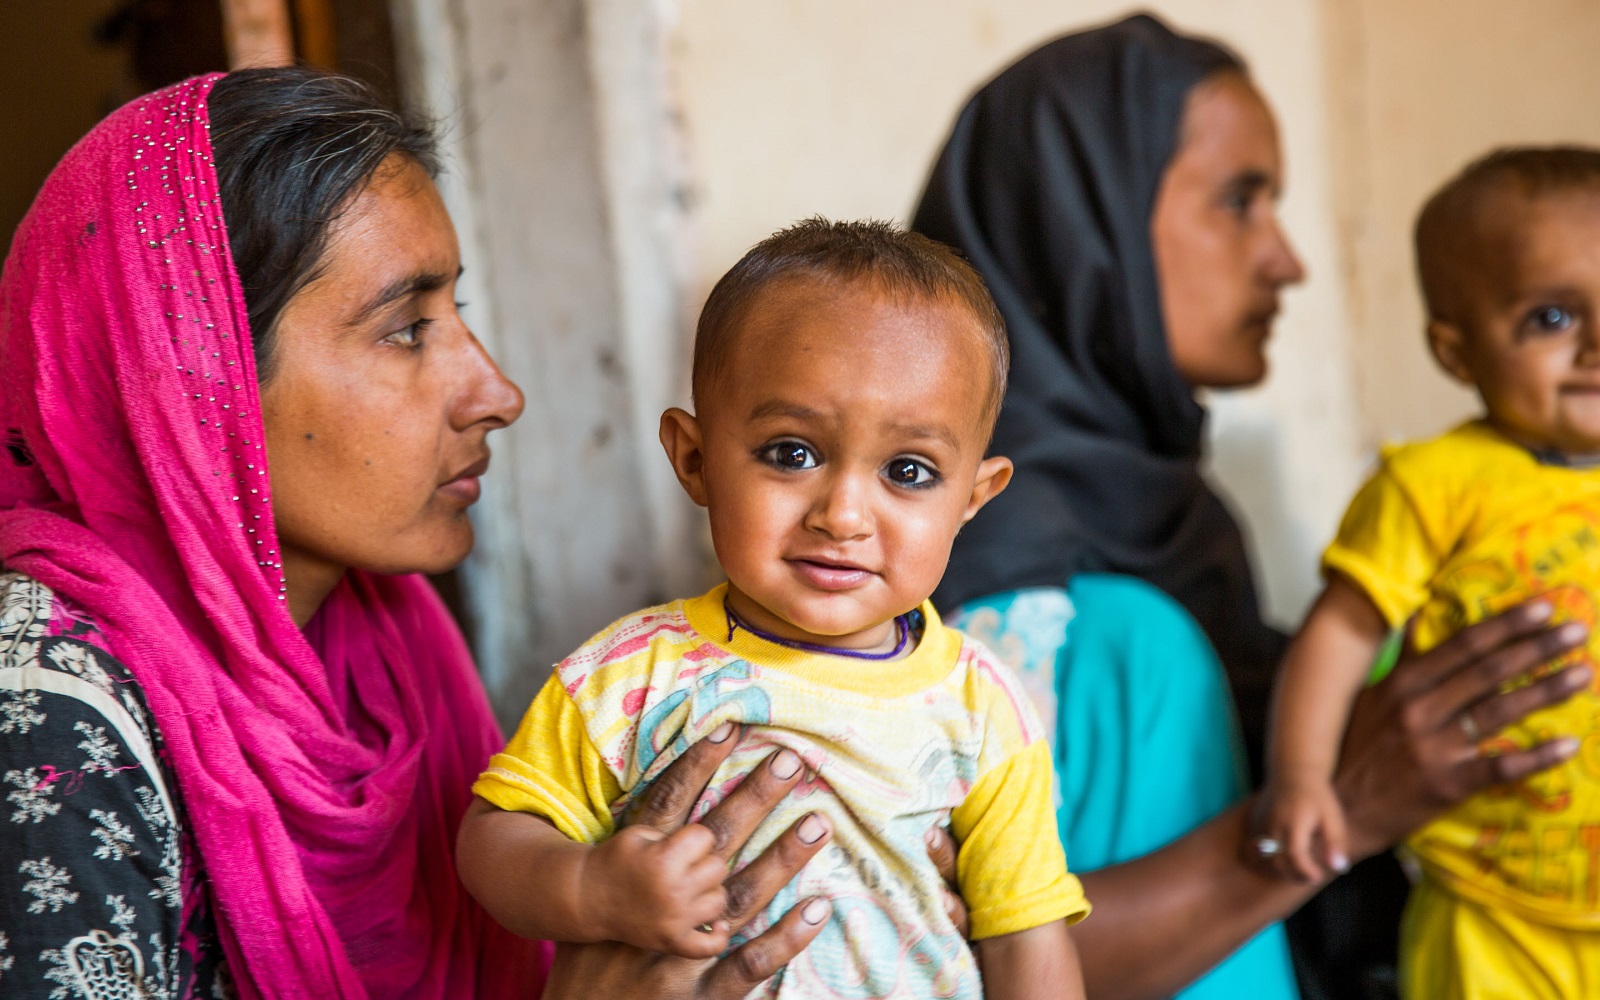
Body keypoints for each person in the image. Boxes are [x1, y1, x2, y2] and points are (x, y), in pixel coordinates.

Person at [0, 69, 874, 1000]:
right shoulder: (47, 718)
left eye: (457, 311)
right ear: (190, 375)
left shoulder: (383, 653)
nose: (496, 393)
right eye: (406, 329)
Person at [911, 13, 1593, 1000]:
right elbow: (940, 959)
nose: (1284, 259)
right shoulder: (964, 541)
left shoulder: (1181, 511)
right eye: (1240, 200)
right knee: (1137, 639)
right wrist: (1343, 807)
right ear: (1081, 217)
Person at [458, 219, 1089, 999]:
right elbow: (494, 839)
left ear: (973, 498)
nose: (844, 515)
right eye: (792, 453)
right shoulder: (630, 675)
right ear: (695, 458)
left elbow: (1029, 943)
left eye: (909, 470)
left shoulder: (983, 706)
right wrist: (590, 887)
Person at [1257, 147, 1600, 998]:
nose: (1598, 343)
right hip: (1493, 910)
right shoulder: (1435, 484)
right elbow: (1339, 634)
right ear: (1457, 352)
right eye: (1554, 318)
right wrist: (1301, 778)